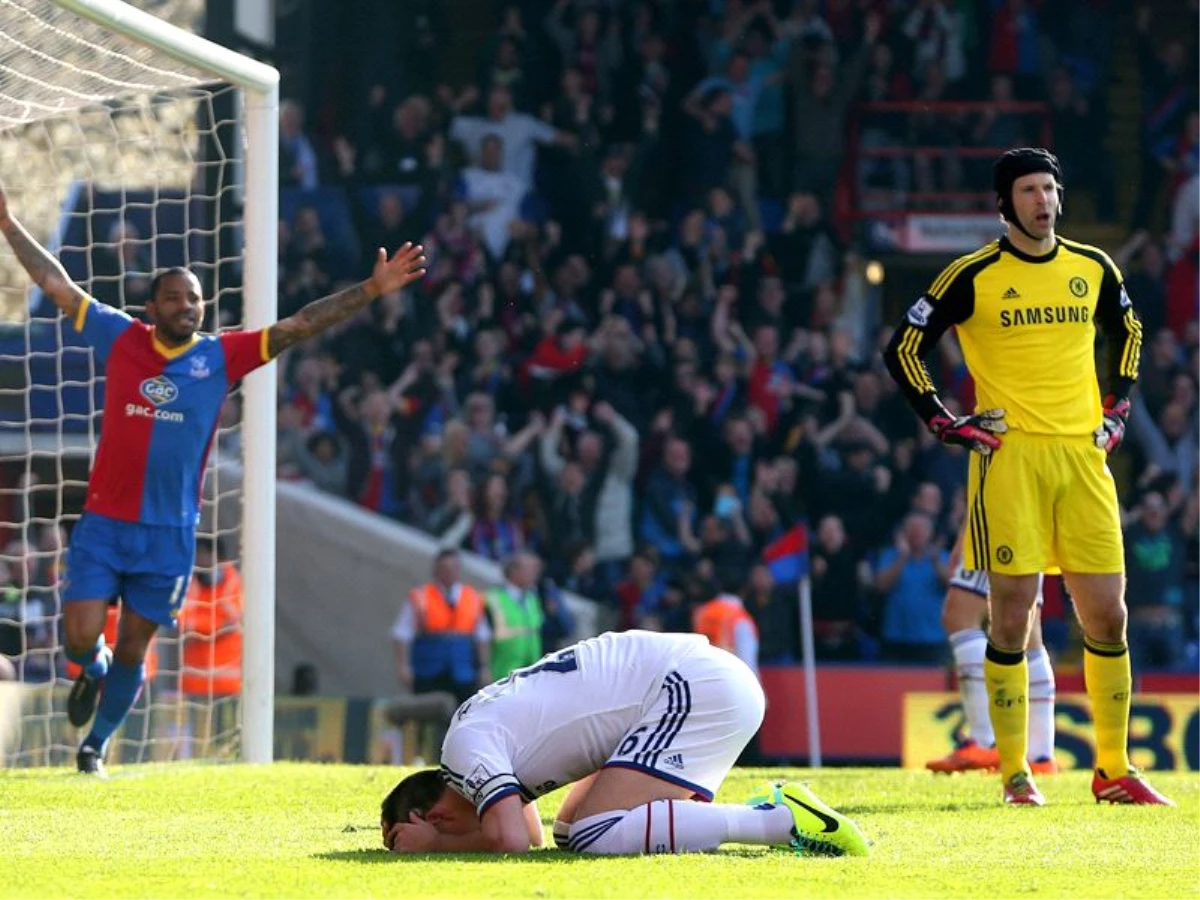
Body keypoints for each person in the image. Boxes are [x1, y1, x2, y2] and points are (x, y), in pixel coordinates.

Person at [0, 188, 427, 777]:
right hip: (104, 523)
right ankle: (89, 671)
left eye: (194, 298)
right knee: (80, 636)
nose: (186, 306)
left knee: (135, 647)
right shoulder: (119, 337)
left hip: (170, 535)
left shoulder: (222, 357)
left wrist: (372, 291)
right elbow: (57, 284)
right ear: (151, 307)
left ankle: (94, 746)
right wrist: (8, 223)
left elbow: (300, 324)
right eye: (173, 297)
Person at [882, 148, 1172, 806]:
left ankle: (1113, 770)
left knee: (1108, 614)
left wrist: (1118, 406)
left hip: (1083, 458)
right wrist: (944, 421)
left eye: (1050, 188)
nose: (1044, 200)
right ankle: (1015, 772)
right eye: (1030, 190)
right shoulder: (973, 273)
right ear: (1005, 202)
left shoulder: (1092, 266)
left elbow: (1128, 328)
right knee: (1011, 616)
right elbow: (903, 346)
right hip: (1009, 459)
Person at [380, 630, 870, 857]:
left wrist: (436, 844)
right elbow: (526, 836)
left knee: (595, 834)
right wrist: (445, 836)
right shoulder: (476, 740)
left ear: (433, 814)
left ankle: (782, 821)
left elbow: (507, 840)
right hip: (692, 683)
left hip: (691, 685)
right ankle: (771, 814)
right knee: (571, 831)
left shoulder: (461, 751)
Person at [925, 531, 1057, 775]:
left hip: (997, 519)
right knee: (1028, 630)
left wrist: (965, 532)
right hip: (1033, 521)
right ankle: (1040, 755)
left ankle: (984, 741)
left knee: (959, 616)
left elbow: (980, 491)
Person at [391, 549, 491, 703]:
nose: (449, 572)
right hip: (428, 667)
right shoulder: (421, 596)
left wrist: (483, 667)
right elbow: (402, 633)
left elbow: (482, 635)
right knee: (427, 709)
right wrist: (403, 666)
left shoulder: (472, 596)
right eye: (445, 568)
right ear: (436, 569)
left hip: (462, 668)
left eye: (454, 567)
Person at [483, 551, 545, 682]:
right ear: (514, 571)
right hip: (502, 674)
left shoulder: (532, 598)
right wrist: (484, 668)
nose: (534, 574)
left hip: (530, 673)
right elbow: (483, 636)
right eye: (529, 569)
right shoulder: (493, 598)